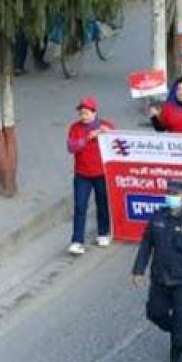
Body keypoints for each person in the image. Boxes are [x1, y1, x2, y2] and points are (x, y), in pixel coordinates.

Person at [131, 178, 182, 362]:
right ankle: (177, 332)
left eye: (175, 194)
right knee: (154, 313)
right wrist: (139, 270)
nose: (171, 197)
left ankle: (176, 353)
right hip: (160, 278)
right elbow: (146, 244)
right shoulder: (158, 217)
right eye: (169, 193)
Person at [67, 96, 114, 255]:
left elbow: (117, 144)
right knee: (80, 206)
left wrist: (109, 134)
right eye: (81, 113)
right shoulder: (75, 128)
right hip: (82, 174)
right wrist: (88, 137)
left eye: (86, 113)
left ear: (94, 113)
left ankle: (103, 233)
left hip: (101, 173)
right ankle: (77, 240)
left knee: (102, 203)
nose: (83, 116)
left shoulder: (106, 125)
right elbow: (72, 147)